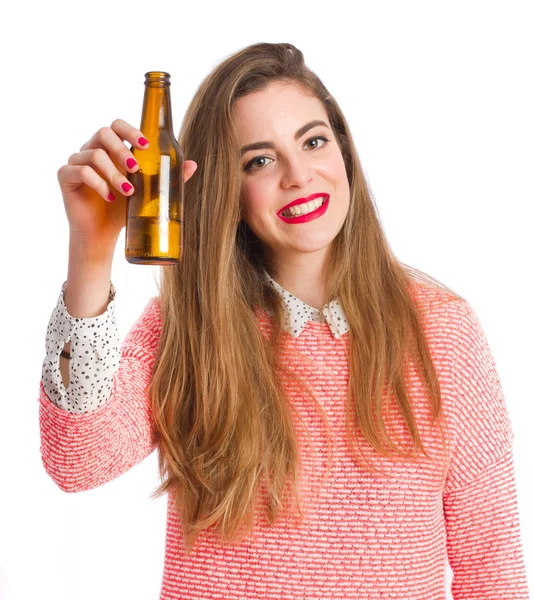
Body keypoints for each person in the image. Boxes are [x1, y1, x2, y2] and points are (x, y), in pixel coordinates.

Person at [39, 42, 530, 599]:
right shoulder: (193, 325)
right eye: (260, 160)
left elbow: (491, 566)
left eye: (313, 141)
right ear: (226, 189)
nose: (299, 174)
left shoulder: (442, 330)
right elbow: (77, 460)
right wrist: (90, 253)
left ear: (343, 151)